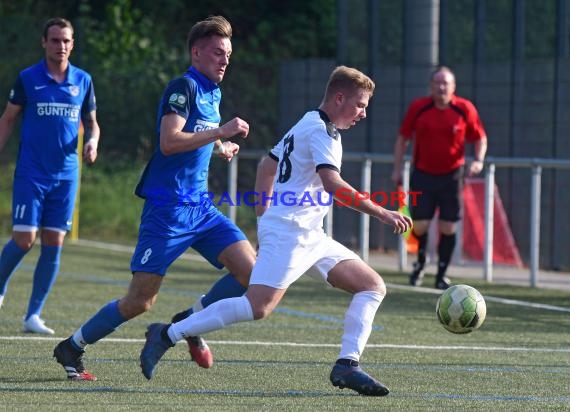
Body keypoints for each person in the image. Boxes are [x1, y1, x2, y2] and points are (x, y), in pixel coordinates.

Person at [139, 66, 413, 397]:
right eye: (360, 104)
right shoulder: (321, 132)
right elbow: (334, 185)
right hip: (292, 233)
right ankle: (167, 334)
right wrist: (381, 211)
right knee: (258, 307)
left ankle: (347, 365)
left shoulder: (308, 121)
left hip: (308, 234)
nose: (363, 113)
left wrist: (264, 217)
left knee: (371, 286)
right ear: (340, 97)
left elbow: (267, 166)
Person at [53, 15, 256, 381]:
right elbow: (170, 141)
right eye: (217, 53)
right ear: (196, 53)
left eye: (228, 54)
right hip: (167, 210)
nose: (225, 60)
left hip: (201, 208)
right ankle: (72, 345)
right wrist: (221, 131)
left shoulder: (214, 90)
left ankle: (186, 323)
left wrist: (220, 145)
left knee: (251, 273)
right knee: (140, 302)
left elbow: (196, 139)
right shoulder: (184, 87)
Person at [0, 17, 100, 335]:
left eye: (66, 41)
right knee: (24, 239)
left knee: (53, 243)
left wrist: (94, 141)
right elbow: (8, 120)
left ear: (73, 44)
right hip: (31, 173)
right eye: (55, 40)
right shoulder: (28, 78)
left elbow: (92, 122)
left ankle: (33, 316)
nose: (61, 46)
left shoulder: (83, 80)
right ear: (44, 42)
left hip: (66, 176)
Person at [391, 65, 487, 290]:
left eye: (446, 83)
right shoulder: (419, 108)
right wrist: (397, 167)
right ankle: (421, 262)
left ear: (453, 87)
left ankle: (442, 274)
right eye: (438, 83)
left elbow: (480, 137)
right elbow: (402, 139)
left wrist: (478, 160)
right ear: (431, 86)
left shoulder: (465, 109)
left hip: (452, 176)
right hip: (422, 174)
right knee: (421, 225)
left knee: (448, 227)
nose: (442, 87)